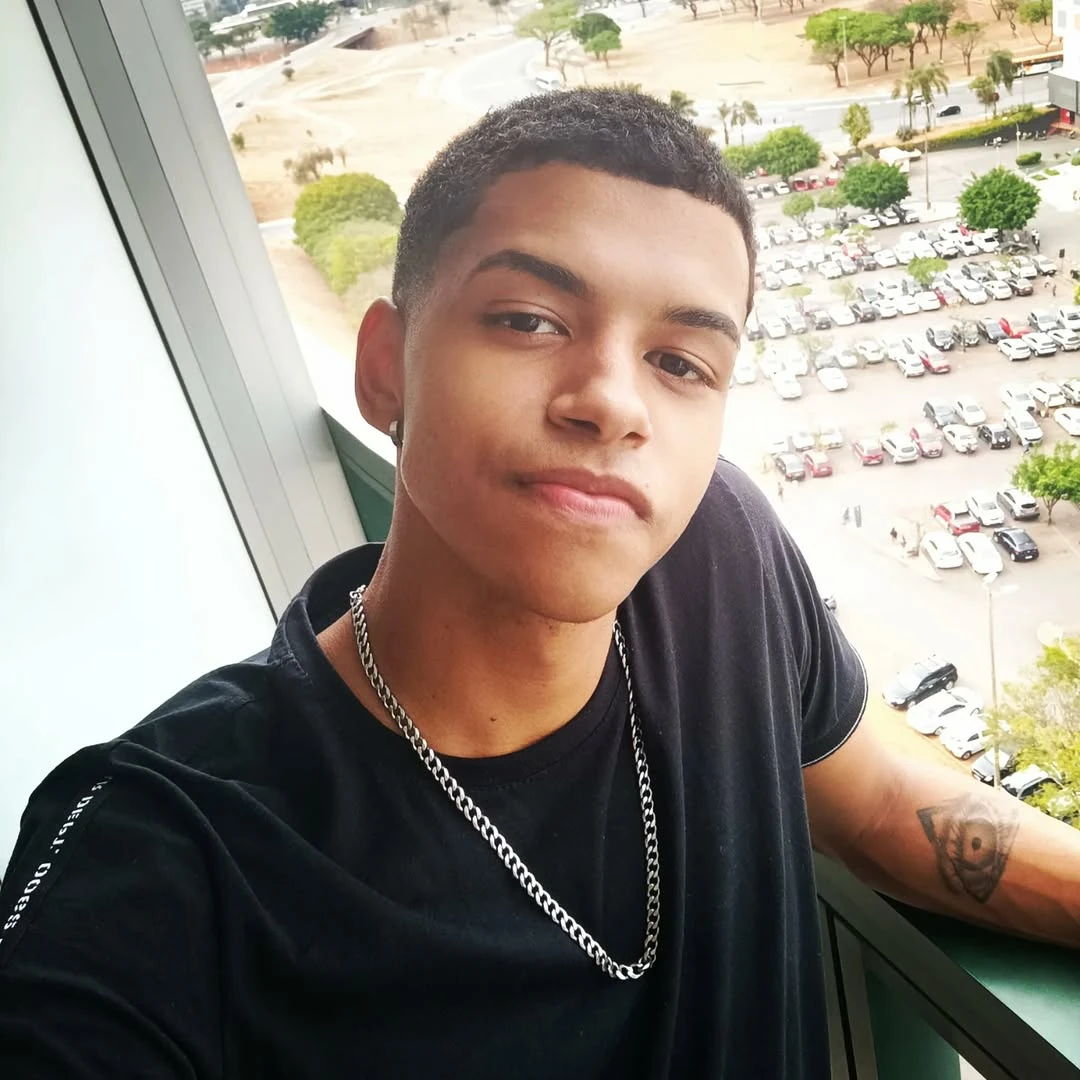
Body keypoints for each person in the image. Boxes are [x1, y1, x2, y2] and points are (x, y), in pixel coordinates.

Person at [2, 89, 1080, 1079]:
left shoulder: (718, 554)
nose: (612, 402)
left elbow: (879, 804)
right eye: (529, 319)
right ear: (385, 367)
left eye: (681, 362)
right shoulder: (161, 857)